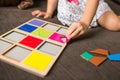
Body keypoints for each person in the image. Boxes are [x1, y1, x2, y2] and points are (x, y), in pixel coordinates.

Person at [32, 0, 120, 40]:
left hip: (92, 7)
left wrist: (85, 22)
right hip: (69, 8)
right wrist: (49, 12)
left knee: (115, 24)